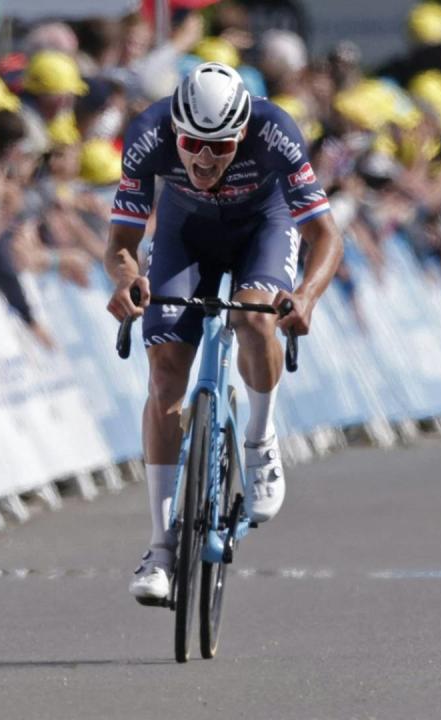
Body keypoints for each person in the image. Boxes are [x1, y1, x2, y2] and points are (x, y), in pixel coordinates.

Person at [105, 62, 343, 604]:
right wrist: (126, 281)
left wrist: (304, 296)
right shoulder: (147, 136)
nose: (205, 159)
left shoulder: (275, 131)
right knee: (166, 376)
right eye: (192, 144)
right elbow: (121, 241)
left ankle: (259, 439)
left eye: (221, 147)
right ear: (175, 131)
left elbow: (326, 234)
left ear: (243, 133)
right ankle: (161, 548)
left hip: (264, 227)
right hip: (186, 235)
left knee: (255, 317)